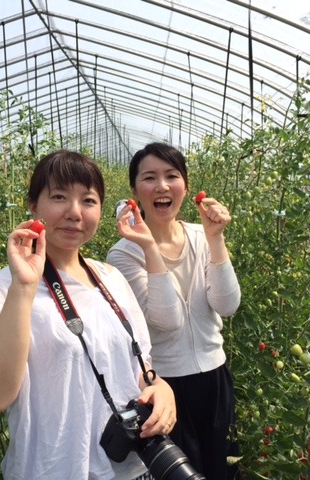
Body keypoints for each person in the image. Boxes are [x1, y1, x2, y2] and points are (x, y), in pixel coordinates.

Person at [0, 150, 177, 480]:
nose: (74, 212)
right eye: (59, 197)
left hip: (131, 469)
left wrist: (161, 388)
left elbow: (140, 366)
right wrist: (24, 287)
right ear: (33, 206)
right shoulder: (2, 288)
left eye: (88, 200)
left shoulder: (111, 279)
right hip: (52, 470)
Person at [107, 142, 242, 480]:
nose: (162, 186)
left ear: (185, 184)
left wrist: (215, 238)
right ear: (134, 192)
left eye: (171, 176)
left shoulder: (202, 236)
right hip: (165, 388)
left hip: (215, 378)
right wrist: (148, 246)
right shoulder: (123, 255)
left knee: (222, 470)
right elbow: (168, 320)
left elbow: (227, 305)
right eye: (149, 178)